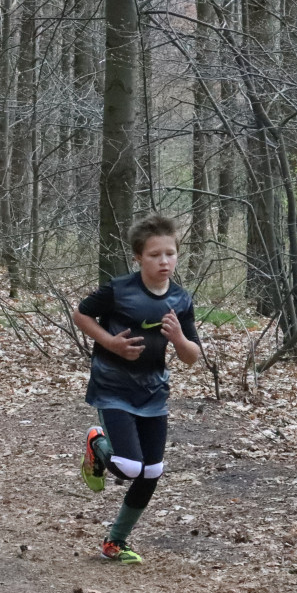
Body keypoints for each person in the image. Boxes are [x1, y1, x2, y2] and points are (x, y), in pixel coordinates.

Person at [74, 214, 202, 564]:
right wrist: (110, 343)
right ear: (138, 258)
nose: (164, 262)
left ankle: (115, 542)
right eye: (154, 255)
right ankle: (97, 444)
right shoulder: (119, 290)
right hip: (113, 386)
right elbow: (81, 315)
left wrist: (178, 338)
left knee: (152, 471)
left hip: (153, 392)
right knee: (130, 467)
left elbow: (192, 356)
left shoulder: (180, 299)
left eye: (170, 254)